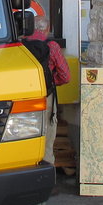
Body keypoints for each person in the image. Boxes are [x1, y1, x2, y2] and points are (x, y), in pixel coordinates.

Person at [22, 13, 70, 165]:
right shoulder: (52, 46)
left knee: (24, 135)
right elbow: (65, 76)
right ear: (47, 29)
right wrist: (49, 81)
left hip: (23, 98)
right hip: (46, 96)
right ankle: (46, 170)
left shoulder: (20, 45)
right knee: (47, 138)